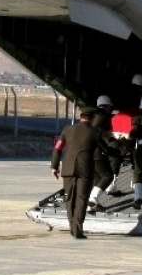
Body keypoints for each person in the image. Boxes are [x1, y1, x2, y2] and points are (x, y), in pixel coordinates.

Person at [50, 107, 103, 239]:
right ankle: (77, 229)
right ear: (91, 118)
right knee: (81, 199)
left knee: (70, 198)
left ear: (80, 116)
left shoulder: (67, 130)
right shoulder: (95, 132)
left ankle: (71, 226)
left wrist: (54, 166)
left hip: (68, 169)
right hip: (85, 170)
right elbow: (106, 147)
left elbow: (57, 148)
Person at [88, 95, 116, 211]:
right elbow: (96, 132)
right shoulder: (102, 116)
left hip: (89, 151)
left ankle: (91, 205)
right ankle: (93, 199)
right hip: (98, 151)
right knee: (107, 175)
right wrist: (110, 136)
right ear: (107, 105)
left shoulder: (93, 115)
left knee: (97, 176)